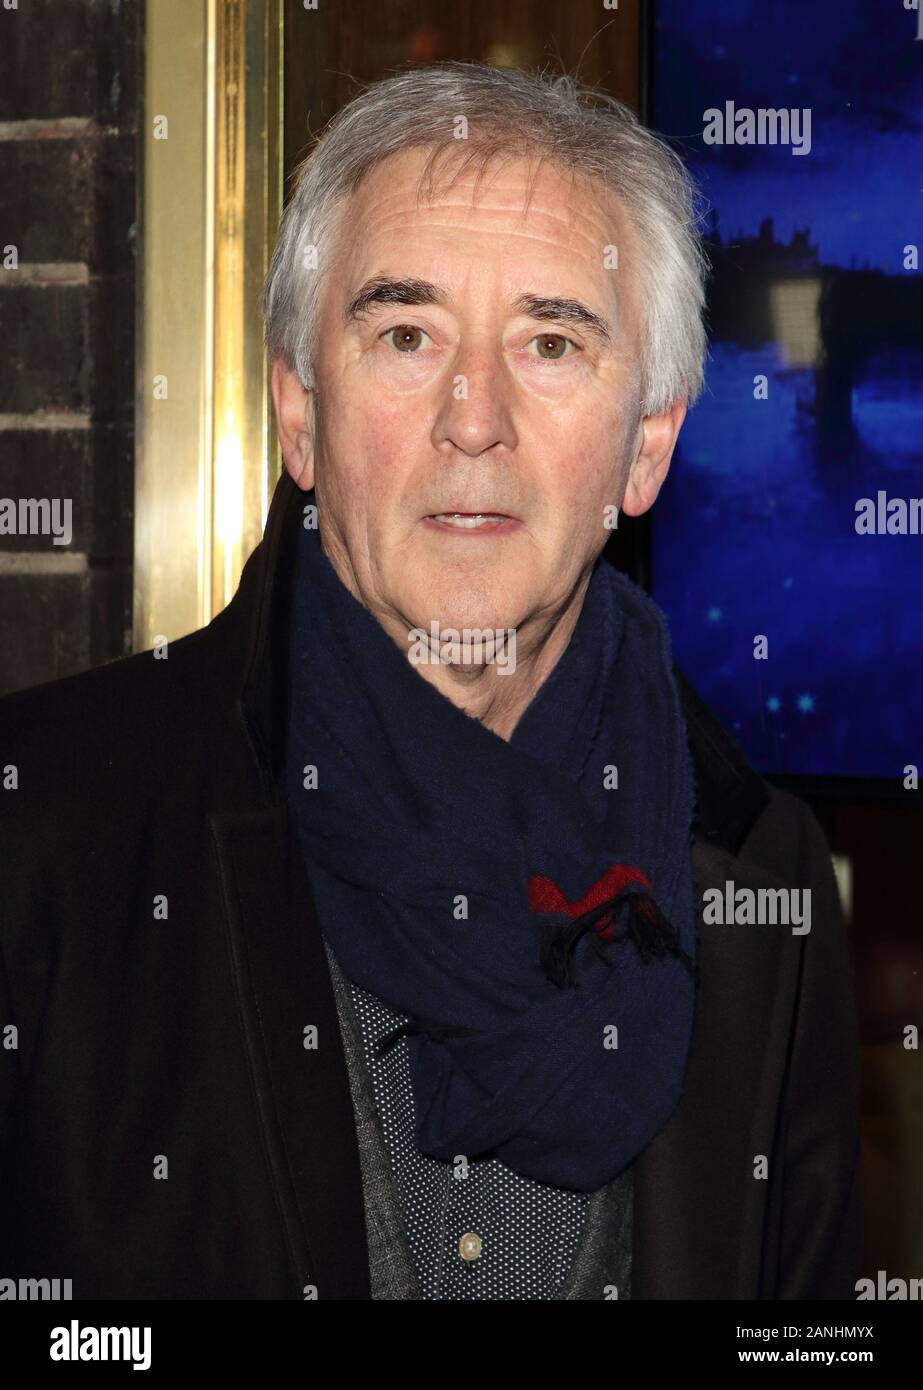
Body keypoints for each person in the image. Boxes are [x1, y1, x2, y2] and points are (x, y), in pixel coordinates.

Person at [0, 61, 861, 1300]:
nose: (474, 417)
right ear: (299, 411)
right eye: (406, 334)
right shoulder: (47, 838)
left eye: (550, 342)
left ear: (648, 445)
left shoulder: (757, 876)